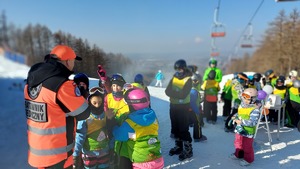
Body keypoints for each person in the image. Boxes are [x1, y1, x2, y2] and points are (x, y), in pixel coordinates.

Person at [24, 45, 90, 168]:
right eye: (73, 61)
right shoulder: (61, 85)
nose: (73, 64)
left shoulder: (31, 82)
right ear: (67, 61)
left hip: (37, 151)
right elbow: (84, 112)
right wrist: (83, 94)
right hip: (57, 155)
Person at [112, 88, 164, 169]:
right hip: (157, 159)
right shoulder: (153, 118)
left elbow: (119, 135)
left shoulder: (130, 123)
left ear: (132, 105)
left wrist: (113, 126)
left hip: (141, 163)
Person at [73, 87, 111, 169]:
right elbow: (80, 137)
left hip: (104, 151)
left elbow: (111, 132)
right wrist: (76, 154)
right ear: (89, 102)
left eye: (100, 102)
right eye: (94, 103)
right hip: (89, 153)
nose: (97, 105)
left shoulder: (106, 115)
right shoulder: (85, 117)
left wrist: (111, 148)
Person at [165, 59, 193, 161]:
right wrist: (176, 94)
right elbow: (167, 91)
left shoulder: (188, 79)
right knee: (175, 127)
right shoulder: (174, 78)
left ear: (184, 68)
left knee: (183, 128)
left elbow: (183, 94)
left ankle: (188, 150)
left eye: (180, 69)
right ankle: (179, 146)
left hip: (183, 107)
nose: (179, 70)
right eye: (177, 69)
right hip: (173, 106)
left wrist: (174, 94)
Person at [104, 74, 131, 169]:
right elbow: (105, 110)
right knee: (112, 145)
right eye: (114, 85)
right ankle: (113, 160)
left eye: (118, 85)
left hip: (124, 126)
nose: (116, 87)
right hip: (112, 126)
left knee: (123, 146)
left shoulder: (127, 97)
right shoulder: (108, 97)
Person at [229, 88, 260, 166]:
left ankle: (248, 159)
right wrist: (235, 116)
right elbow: (239, 114)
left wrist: (241, 122)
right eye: (244, 97)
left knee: (247, 146)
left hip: (248, 131)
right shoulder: (242, 105)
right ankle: (238, 154)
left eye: (248, 98)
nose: (245, 100)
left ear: (253, 99)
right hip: (239, 129)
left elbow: (253, 122)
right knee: (238, 143)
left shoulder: (255, 110)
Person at [190, 73, 207, 142]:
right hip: (194, 110)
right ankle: (198, 137)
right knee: (197, 123)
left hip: (192, 109)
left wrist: (200, 100)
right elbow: (192, 103)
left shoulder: (193, 90)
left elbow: (196, 100)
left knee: (196, 123)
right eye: (194, 81)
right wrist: (197, 111)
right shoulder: (194, 91)